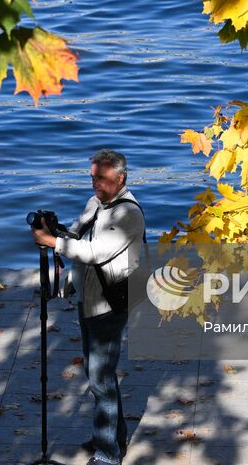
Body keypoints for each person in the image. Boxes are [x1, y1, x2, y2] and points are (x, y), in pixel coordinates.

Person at [31, 149, 146, 465]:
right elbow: (77, 236)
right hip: (89, 299)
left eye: (101, 177)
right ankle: (110, 437)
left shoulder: (129, 214)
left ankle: (108, 454)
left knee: (101, 378)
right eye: (92, 176)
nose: (94, 183)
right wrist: (55, 232)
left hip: (110, 304)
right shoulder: (96, 203)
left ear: (119, 178)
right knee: (100, 375)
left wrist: (53, 243)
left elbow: (95, 252)